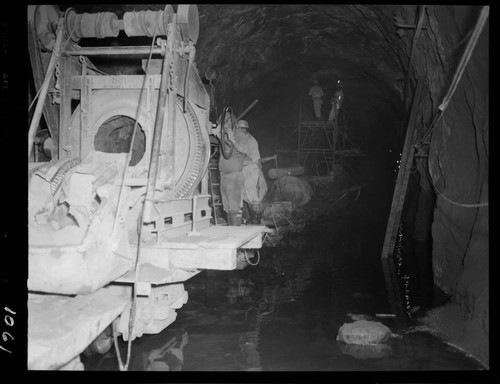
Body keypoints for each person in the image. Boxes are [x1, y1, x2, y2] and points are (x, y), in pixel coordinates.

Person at [240, 120, 268, 224]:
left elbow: (255, 159)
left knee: (252, 197)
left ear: (243, 129)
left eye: (238, 129)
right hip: (246, 170)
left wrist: (239, 162)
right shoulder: (244, 139)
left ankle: (256, 221)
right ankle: (248, 219)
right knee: (244, 195)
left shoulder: (251, 140)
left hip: (251, 170)